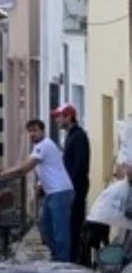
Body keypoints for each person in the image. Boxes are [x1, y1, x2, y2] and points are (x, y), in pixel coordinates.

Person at [0, 119, 74, 262]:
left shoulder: (43, 146)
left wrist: (4, 173)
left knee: (59, 228)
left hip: (60, 191)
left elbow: (25, 168)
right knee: (45, 225)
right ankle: (56, 255)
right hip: (51, 192)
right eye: (30, 131)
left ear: (42, 131)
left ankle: (63, 259)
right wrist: (40, 184)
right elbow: (45, 167)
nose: (32, 134)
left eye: (35, 130)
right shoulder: (39, 147)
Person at [54, 104, 91, 263]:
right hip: (71, 186)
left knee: (75, 223)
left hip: (76, 187)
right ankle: (72, 256)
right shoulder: (71, 135)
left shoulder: (79, 136)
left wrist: (72, 187)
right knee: (70, 223)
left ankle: (76, 258)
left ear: (69, 117)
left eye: (60, 117)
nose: (57, 120)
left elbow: (80, 165)